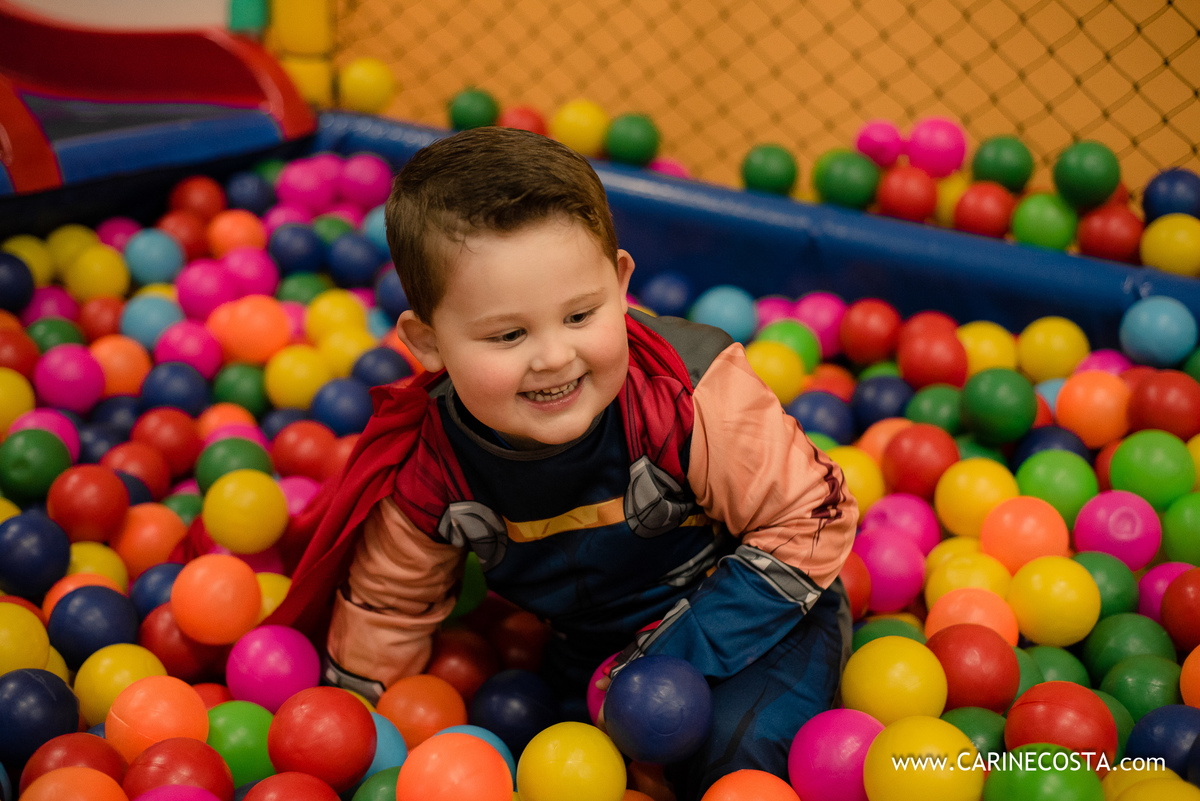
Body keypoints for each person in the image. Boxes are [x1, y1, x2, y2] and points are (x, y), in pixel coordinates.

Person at [269, 126, 858, 799]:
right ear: (427, 342)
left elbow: (810, 515)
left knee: (736, 756)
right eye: (508, 334)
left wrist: (664, 657)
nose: (554, 357)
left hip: (766, 613)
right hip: (595, 654)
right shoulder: (430, 465)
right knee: (536, 751)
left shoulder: (687, 393)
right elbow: (389, 605)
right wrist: (361, 735)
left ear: (621, 284)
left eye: (580, 316)